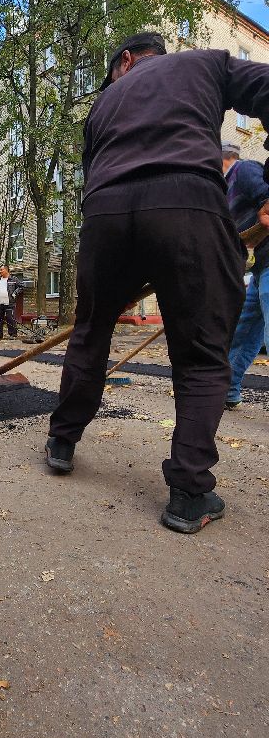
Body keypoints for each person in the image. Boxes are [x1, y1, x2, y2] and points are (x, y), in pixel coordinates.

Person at [44, 33, 269, 534]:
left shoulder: (102, 105)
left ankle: (62, 441)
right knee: (202, 354)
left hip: (105, 214)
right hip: (185, 202)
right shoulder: (207, 64)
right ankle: (189, 493)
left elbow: (90, 173)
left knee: (90, 332)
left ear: (125, 61)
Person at [221, 141, 269, 409]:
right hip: (261, 264)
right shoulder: (224, 188)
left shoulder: (244, 170)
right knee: (244, 329)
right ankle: (227, 390)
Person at [0, 266, 24, 339]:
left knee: (10, 318)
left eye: (1, 270)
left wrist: (15, 293)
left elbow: (21, 286)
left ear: (6, 270)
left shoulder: (13, 279)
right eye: (0, 270)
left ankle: (13, 335)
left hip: (9, 303)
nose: (0, 271)